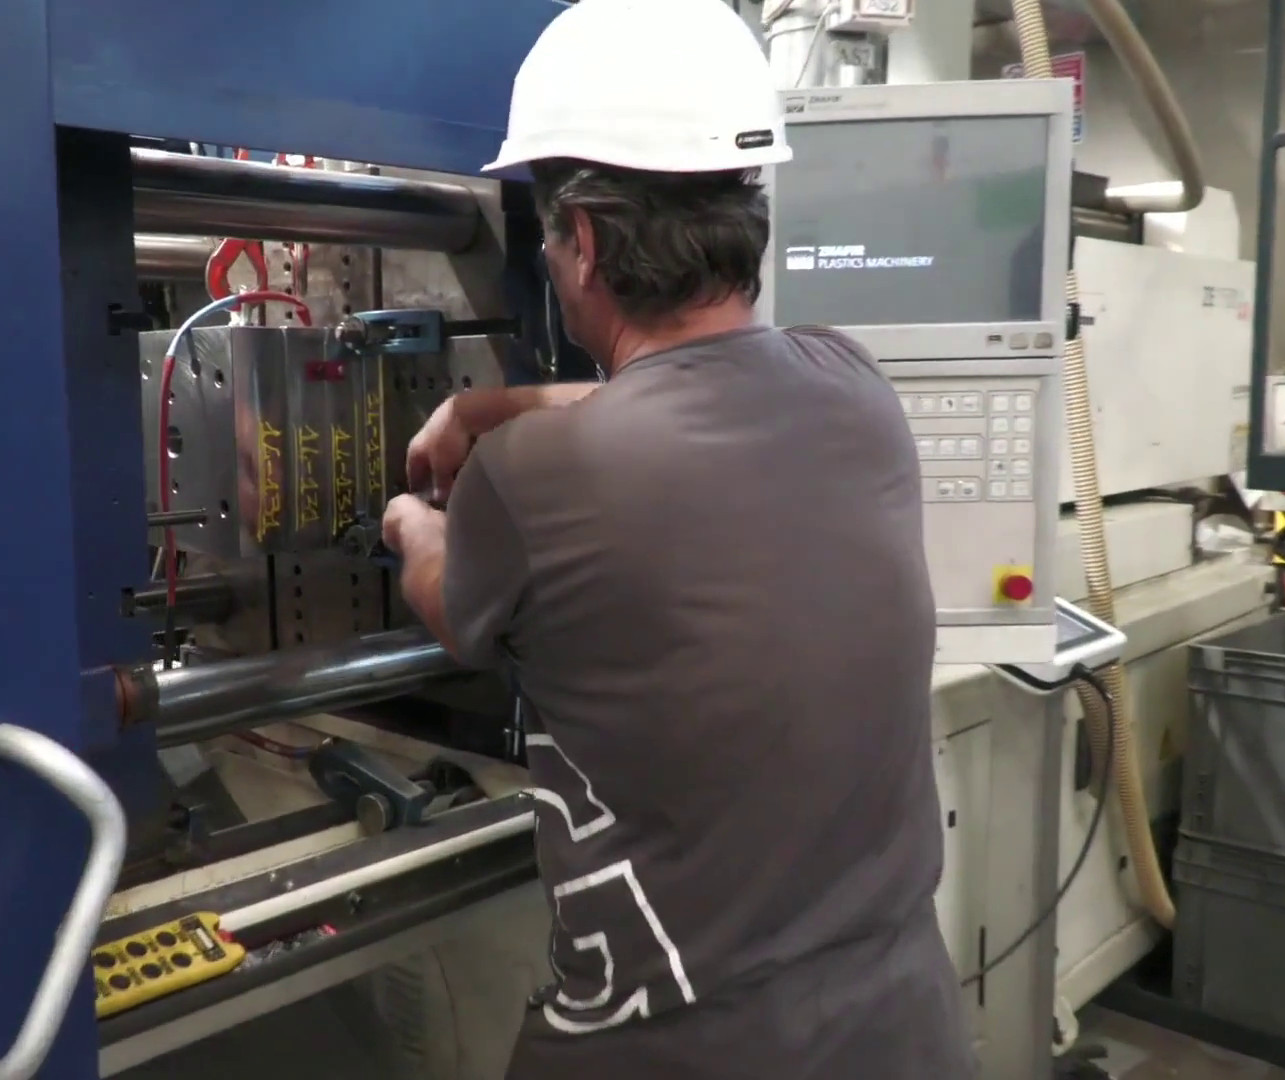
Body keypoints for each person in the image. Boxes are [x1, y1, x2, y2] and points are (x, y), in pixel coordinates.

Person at [377, 1, 974, 1077]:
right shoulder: (855, 384)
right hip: (903, 1029)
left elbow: (450, 600)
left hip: (674, 1050)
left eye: (549, 235)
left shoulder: (532, 481)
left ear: (588, 242)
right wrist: (486, 409)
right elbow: (695, 396)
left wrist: (407, 517)